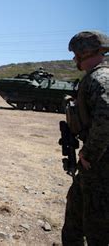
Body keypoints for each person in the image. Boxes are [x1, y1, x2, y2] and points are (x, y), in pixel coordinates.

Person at [62, 30, 109, 245]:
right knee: (75, 217)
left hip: (100, 166)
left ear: (85, 52)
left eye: (75, 54)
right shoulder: (95, 78)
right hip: (93, 167)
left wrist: (88, 153)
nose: (73, 59)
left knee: (96, 226)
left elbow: (106, 116)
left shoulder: (100, 79)